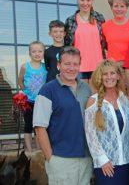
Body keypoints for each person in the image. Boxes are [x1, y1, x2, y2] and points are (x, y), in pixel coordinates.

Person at [33, 47, 92, 185]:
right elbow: (39, 127)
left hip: (86, 159)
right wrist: (51, 159)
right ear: (59, 65)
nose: (71, 68)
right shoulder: (47, 90)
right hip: (61, 159)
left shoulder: (86, 89)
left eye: (75, 64)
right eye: (67, 64)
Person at [85, 59, 129, 185]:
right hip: (106, 165)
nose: (109, 77)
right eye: (105, 74)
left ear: (118, 76)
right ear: (100, 77)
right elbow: (90, 135)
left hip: (127, 162)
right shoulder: (93, 101)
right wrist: (102, 160)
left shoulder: (125, 100)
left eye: (112, 73)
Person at [65, 0, 105, 83]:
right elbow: (67, 45)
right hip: (78, 66)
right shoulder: (71, 20)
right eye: (82, 0)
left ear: (92, 1)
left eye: (88, 0)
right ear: (78, 0)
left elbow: (104, 41)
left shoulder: (99, 18)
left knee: (96, 97)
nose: (85, 3)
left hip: (97, 66)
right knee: (81, 97)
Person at [18, 41, 47, 153]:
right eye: (34, 51)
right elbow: (20, 80)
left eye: (40, 51)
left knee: (39, 126)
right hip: (28, 101)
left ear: (43, 52)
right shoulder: (25, 66)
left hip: (41, 101)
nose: (37, 53)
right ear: (29, 53)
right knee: (28, 125)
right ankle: (30, 150)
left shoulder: (45, 67)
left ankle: (39, 150)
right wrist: (25, 91)